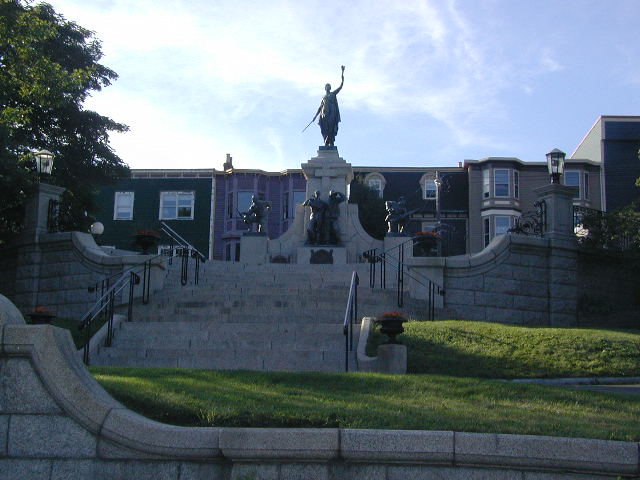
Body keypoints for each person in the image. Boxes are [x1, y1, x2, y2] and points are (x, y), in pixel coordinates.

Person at [309, 66, 345, 147]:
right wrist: (315, 116)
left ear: (330, 88)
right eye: (327, 86)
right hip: (324, 114)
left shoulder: (333, 94)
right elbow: (320, 108)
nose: (328, 87)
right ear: (325, 88)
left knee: (331, 127)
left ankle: (330, 141)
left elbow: (341, 86)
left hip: (331, 113)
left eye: (329, 86)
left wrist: (342, 73)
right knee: (324, 127)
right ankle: (326, 140)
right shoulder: (323, 97)